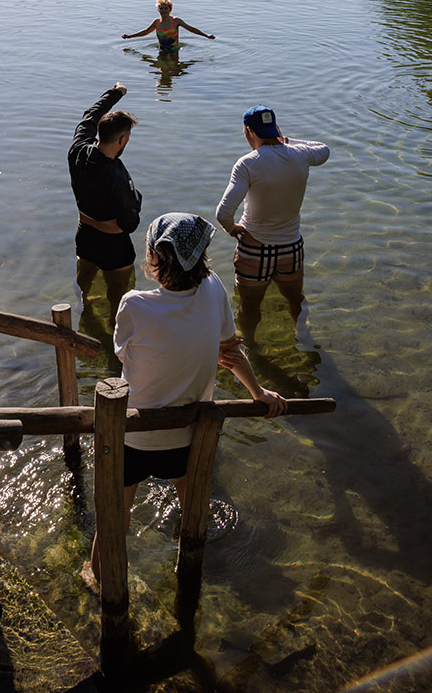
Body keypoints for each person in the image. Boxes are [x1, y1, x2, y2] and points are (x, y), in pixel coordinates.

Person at [85, 212, 287, 587]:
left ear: (154, 258)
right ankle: (192, 566)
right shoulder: (213, 288)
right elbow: (230, 352)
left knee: (115, 518)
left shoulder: (133, 304)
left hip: (133, 437)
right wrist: (259, 393)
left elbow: (123, 355)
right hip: (186, 436)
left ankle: (99, 581)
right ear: (201, 257)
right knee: (193, 505)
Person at [216, 105, 329, 342]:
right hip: (291, 248)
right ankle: (303, 336)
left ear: (249, 131)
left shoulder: (247, 164)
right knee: (295, 299)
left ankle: (251, 349)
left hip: (254, 249)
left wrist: (232, 229)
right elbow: (324, 149)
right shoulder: (301, 155)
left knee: (249, 306)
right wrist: (287, 141)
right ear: (275, 128)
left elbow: (223, 213)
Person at [68, 82, 142, 318]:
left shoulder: (78, 149)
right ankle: (114, 327)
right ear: (122, 140)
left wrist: (116, 92)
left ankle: (84, 311)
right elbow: (130, 223)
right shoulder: (116, 177)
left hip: (84, 234)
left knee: (84, 280)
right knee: (119, 294)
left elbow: (90, 115)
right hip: (113, 245)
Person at [123, 0, 215, 52]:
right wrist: (130, 36)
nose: (163, 10)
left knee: (173, 70)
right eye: (161, 8)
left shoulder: (176, 21)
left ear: (170, 9)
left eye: (166, 8)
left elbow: (191, 29)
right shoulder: (156, 22)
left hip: (174, 51)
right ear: (158, 10)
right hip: (161, 51)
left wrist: (206, 35)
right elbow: (145, 32)